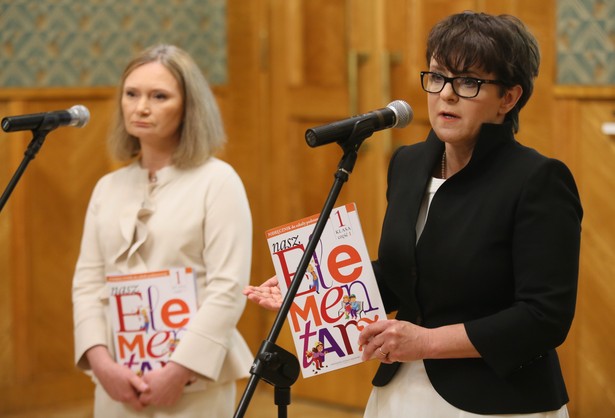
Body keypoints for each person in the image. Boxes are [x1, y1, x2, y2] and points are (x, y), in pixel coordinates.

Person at [243, 11, 582, 418]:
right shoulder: (409, 163)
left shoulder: (538, 179)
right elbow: (405, 275)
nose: (447, 95)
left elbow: (544, 318)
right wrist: (312, 291)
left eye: (469, 82)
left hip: (497, 399)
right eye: (437, 77)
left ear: (508, 98)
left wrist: (426, 342)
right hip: (400, 386)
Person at [72, 44, 254, 417]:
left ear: (188, 107)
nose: (140, 107)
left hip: (195, 380)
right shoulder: (108, 187)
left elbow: (228, 288)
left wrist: (178, 370)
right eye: (131, 94)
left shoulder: (218, 181)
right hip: (118, 376)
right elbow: (87, 284)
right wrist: (101, 363)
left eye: (159, 96)